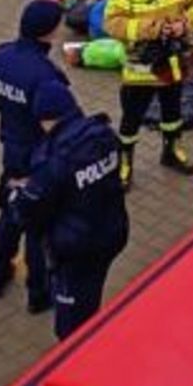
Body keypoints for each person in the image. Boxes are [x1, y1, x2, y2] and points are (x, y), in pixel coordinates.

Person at [9, 81, 129, 341]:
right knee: (92, 287)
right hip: (112, 230)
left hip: (77, 248)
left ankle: (80, 351)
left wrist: (19, 194)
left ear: (43, 118)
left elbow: (29, 209)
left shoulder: (53, 159)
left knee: (71, 326)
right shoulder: (102, 134)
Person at [0, 0, 68, 311]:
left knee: (9, 217)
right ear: (49, 32)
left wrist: (11, 112)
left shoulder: (0, 56)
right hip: (39, 160)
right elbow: (60, 125)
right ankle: (38, 295)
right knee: (38, 229)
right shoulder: (45, 75)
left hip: (12, 153)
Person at [104, 0, 193, 189]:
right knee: (132, 117)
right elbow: (112, 23)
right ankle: (124, 162)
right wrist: (152, 29)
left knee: (173, 111)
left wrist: (185, 24)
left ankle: (171, 151)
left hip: (173, 58)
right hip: (142, 63)